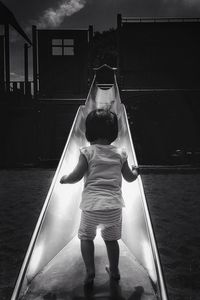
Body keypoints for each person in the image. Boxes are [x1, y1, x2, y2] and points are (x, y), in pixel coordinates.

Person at [60, 109, 139, 287]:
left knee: (86, 238)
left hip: (91, 207)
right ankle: (115, 270)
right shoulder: (121, 153)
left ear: (89, 132)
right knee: (111, 241)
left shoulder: (87, 152)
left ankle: (90, 271)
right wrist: (135, 171)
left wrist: (65, 179)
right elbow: (129, 177)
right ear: (113, 133)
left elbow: (77, 175)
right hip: (113, 207)